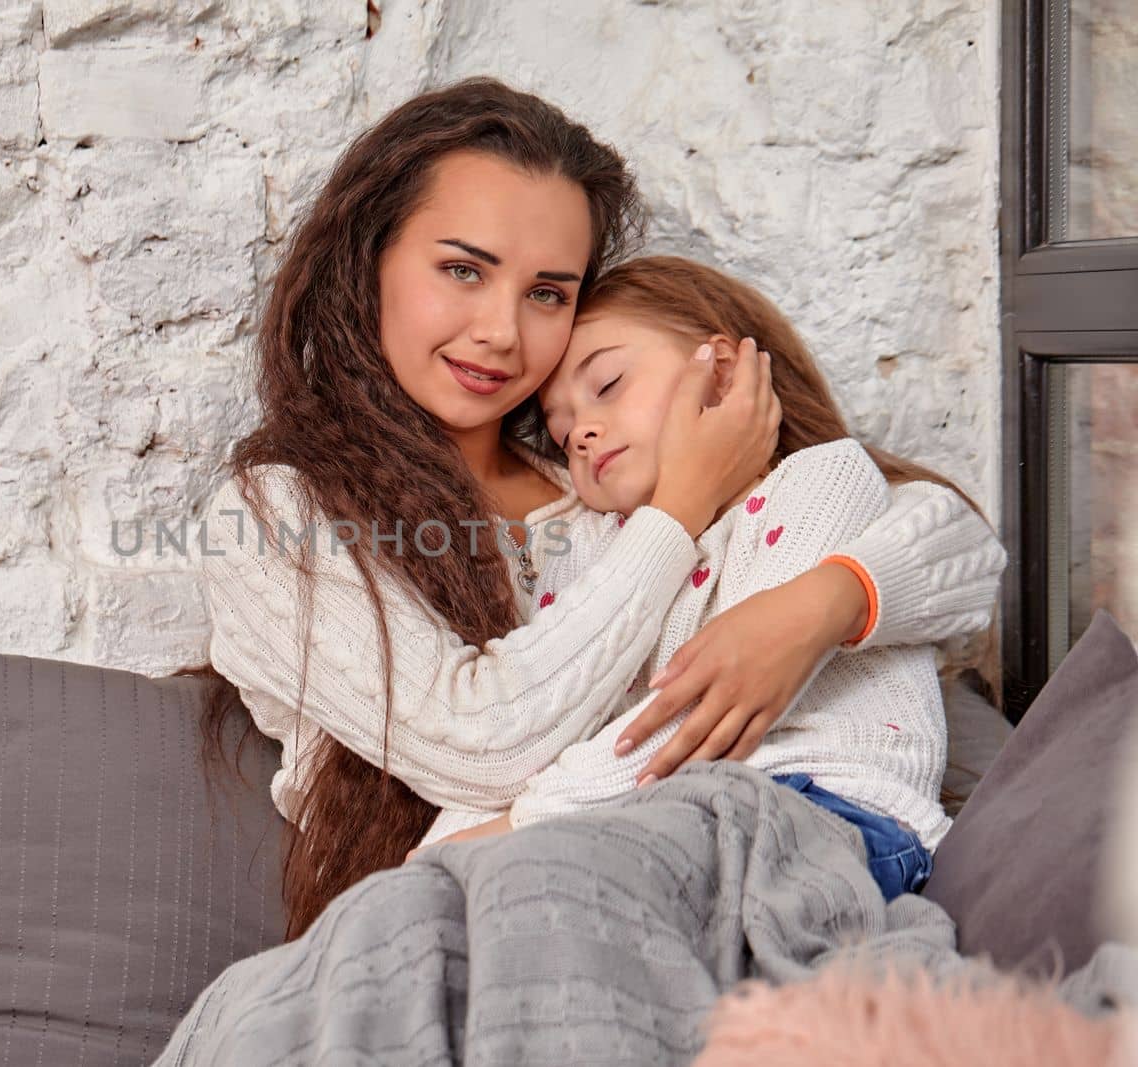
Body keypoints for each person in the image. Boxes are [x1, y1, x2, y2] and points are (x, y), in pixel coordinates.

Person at [191, 77, 1005, 939]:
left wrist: (817, 605)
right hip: (472, 920)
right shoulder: (279, 511)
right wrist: (678, 512)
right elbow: (479, 740)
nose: (503, 331)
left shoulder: (603, 480)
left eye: (547, 292)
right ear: (368, 262)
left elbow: (939, 535)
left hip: (681, 878)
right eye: (463, 270)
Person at [421, 256, 1000, 901]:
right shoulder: (591, 550)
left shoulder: (818, 485)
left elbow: (698, 713)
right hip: (647, 820)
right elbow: (543, 723)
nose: (580, 432)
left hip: (819, 810)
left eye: (608, 384)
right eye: (560, 434)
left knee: (570, 896)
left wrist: (514, 830)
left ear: (721, 372)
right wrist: (430, 868)